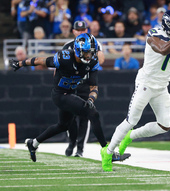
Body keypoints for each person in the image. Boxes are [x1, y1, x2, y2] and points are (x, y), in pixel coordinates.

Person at [101, 10, 170, 171]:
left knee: (164, 125)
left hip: (162, 86)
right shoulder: (154, 34)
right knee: (131, 120)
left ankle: (130, 136)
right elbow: (163, 49)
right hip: (146, 84)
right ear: (168, 27)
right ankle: (108, 151)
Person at [9, 34, 111, 166]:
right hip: (59, 95)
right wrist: (20, 63)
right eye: (87, 52)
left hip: (70, 93)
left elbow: (94, 87)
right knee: (93, 113)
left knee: (63, 126)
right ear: (79, 50)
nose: (89, 56)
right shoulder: (64, 58)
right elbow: (40, 60)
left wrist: (91, 99)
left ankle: (33, 143)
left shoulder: (92, 62)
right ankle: (106, 150)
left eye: (91, 53)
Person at [63, 21, 104, 157]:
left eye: (83, 29)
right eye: (78, 30)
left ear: (86, 30)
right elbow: (59, 67)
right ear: (73, 31)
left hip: (85, 84)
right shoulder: (68, 46)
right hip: (71, 84)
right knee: (69, 117)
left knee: (84, 117)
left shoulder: (94, 43)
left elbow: (101, 59)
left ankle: (80, 148)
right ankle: (72, 142)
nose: (80, 32)